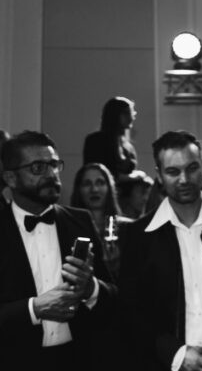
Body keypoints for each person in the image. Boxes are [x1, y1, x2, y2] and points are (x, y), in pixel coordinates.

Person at [119, 130, 202, 371]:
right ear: (159, 175)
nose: (184, 179)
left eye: (191, 168)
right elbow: (131, 312)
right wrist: (176, 355)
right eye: (173, 171)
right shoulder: (138, 236)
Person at [0, 131, 117, 370]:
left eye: (54, 165)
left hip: (79, 360)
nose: (51, 174)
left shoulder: (80, 221)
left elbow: (114, 299)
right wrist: (33, 308)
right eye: (38, 168)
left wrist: (91, 288)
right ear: (11, 178)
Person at [71, 162, 133, 280]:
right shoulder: (69, 227)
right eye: (87, 184)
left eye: (100, 182)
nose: (94, 189)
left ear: (109, 187)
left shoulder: (129, 228)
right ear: (78, 189)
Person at [83, 96, 138, 185]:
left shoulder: (128, 147)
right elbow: (100, 174)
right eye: (126, 113)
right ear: (114, 115)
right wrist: (136, 176)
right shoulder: (95, 142)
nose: (131, 117)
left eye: (131, 113)